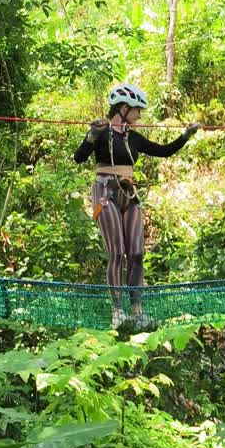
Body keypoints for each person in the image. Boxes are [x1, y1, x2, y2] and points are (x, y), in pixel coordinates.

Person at [73, 82, 201, 329]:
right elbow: (79, 157)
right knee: (117, 253)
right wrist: (90, 137)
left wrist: (186, 135)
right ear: (124, 108)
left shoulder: (133, 137)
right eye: (137, 110)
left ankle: (137, 311)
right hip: (104, 190)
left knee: (137, 253)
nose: (140, 115)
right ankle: (117, 311)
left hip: (128, 192)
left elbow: (164, 151)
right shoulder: (101, 132)